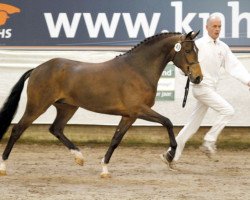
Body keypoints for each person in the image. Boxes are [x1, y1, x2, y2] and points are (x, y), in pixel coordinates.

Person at [162, 14, 250, 168]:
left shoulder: (223, 47)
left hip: (211, 89)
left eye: (219, 26)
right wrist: (185, 73)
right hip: (201, 88)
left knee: (192, 125)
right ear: (207, 27)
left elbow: (234, 65)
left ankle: (171, 154)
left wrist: (247, 80)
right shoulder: (198, 44)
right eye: (214, 26)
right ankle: (209, 141)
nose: (217, 29)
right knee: (228, 110)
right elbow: (186, 61)